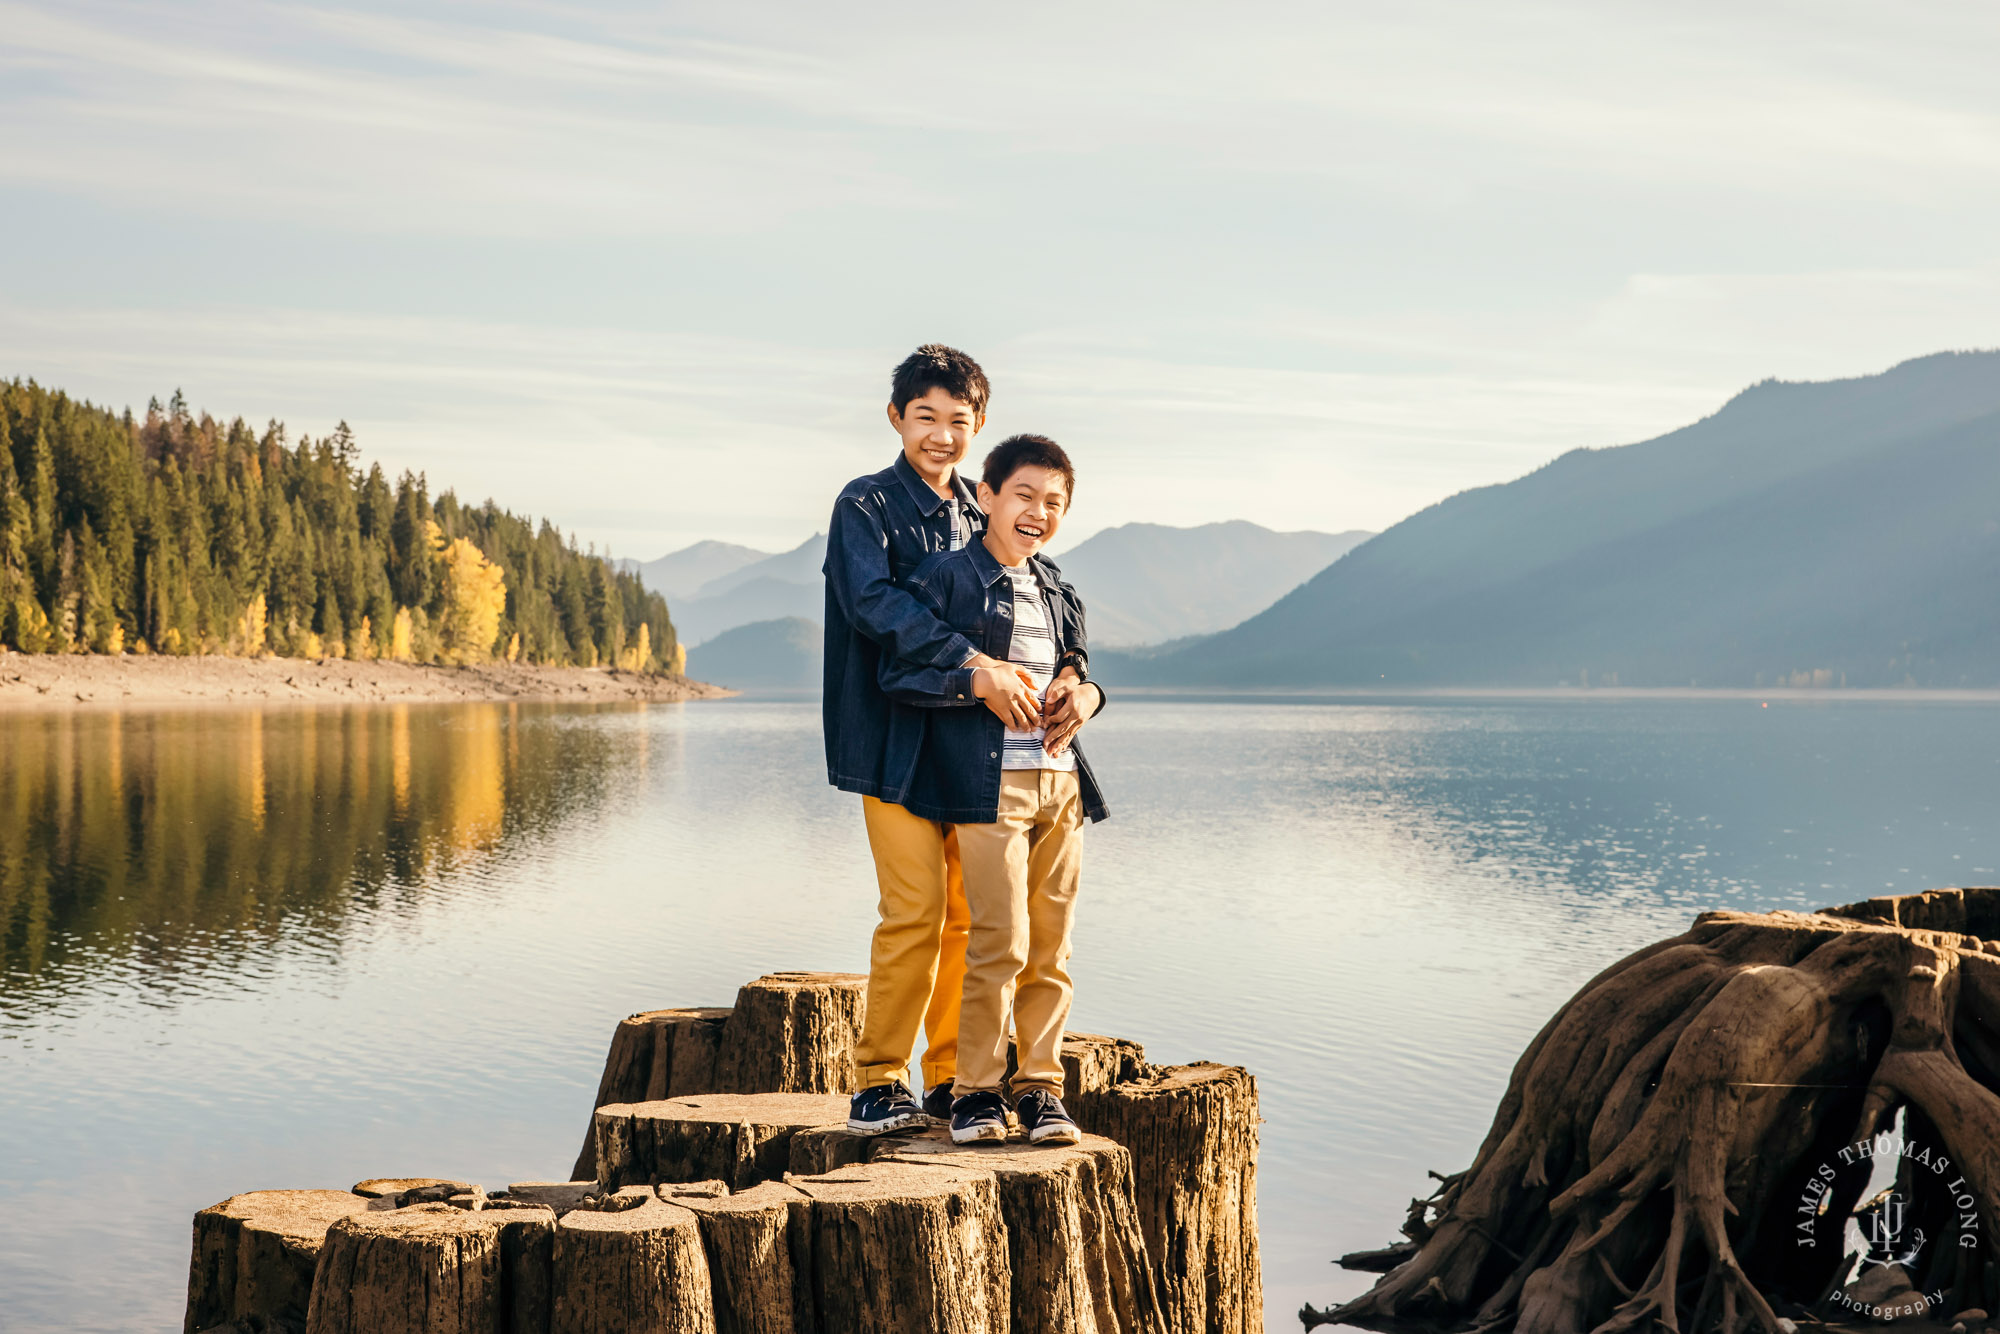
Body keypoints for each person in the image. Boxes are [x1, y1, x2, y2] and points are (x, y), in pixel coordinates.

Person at [825, 345, 1072, 1134]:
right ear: (895, 417)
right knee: (915, 911)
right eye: (924, 416)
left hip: (973, 746)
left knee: (972, 914)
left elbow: (1045, 607)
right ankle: (876, 1078)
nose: (940, 433)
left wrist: (1075, 680)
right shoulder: (865, 507)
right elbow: (874, 606)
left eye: (957, 421)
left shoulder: (984, 507)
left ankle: (950, 1075)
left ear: (980, 427)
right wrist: (973, 663)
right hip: (893, 738)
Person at [876, 433, 1107, 1145]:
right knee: (997, 939)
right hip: (988, 783)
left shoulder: (1058, 585)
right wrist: (973, 680)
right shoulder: (946, 579)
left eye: (1054, 503)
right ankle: (975, 1092)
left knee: (1053, 947)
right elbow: (897, 674)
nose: (1038, 512)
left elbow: (1074, 663)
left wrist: (1087, 693)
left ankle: (1039, 1090)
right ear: (987, 498)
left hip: (1060, 784)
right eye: (1025, 496)